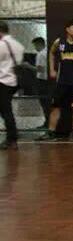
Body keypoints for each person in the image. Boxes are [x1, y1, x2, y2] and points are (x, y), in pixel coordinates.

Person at [37, 19, 73, 141]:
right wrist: (52, 69)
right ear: (67, 29)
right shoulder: (59, 42)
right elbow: (51, 53)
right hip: (62, 80)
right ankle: (51, 132)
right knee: (56, 106)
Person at [0, 21, 25, 151]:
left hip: (3, 81)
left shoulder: (1, 45)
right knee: (6, 110)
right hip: (13, 81)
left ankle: (12, 138)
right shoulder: (18, 45)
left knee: (6, 111)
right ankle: (13, 135)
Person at [32, 37, 49, 127]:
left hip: (42, 81)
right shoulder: (47, 52)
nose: (35, 48)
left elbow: (40, 69)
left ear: (39, 44)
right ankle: (48, 121)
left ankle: (47, 122)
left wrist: (28, 66)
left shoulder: (41, 54)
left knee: (43, 102)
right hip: (47, 81)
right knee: (47, 102)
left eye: (35, 45)